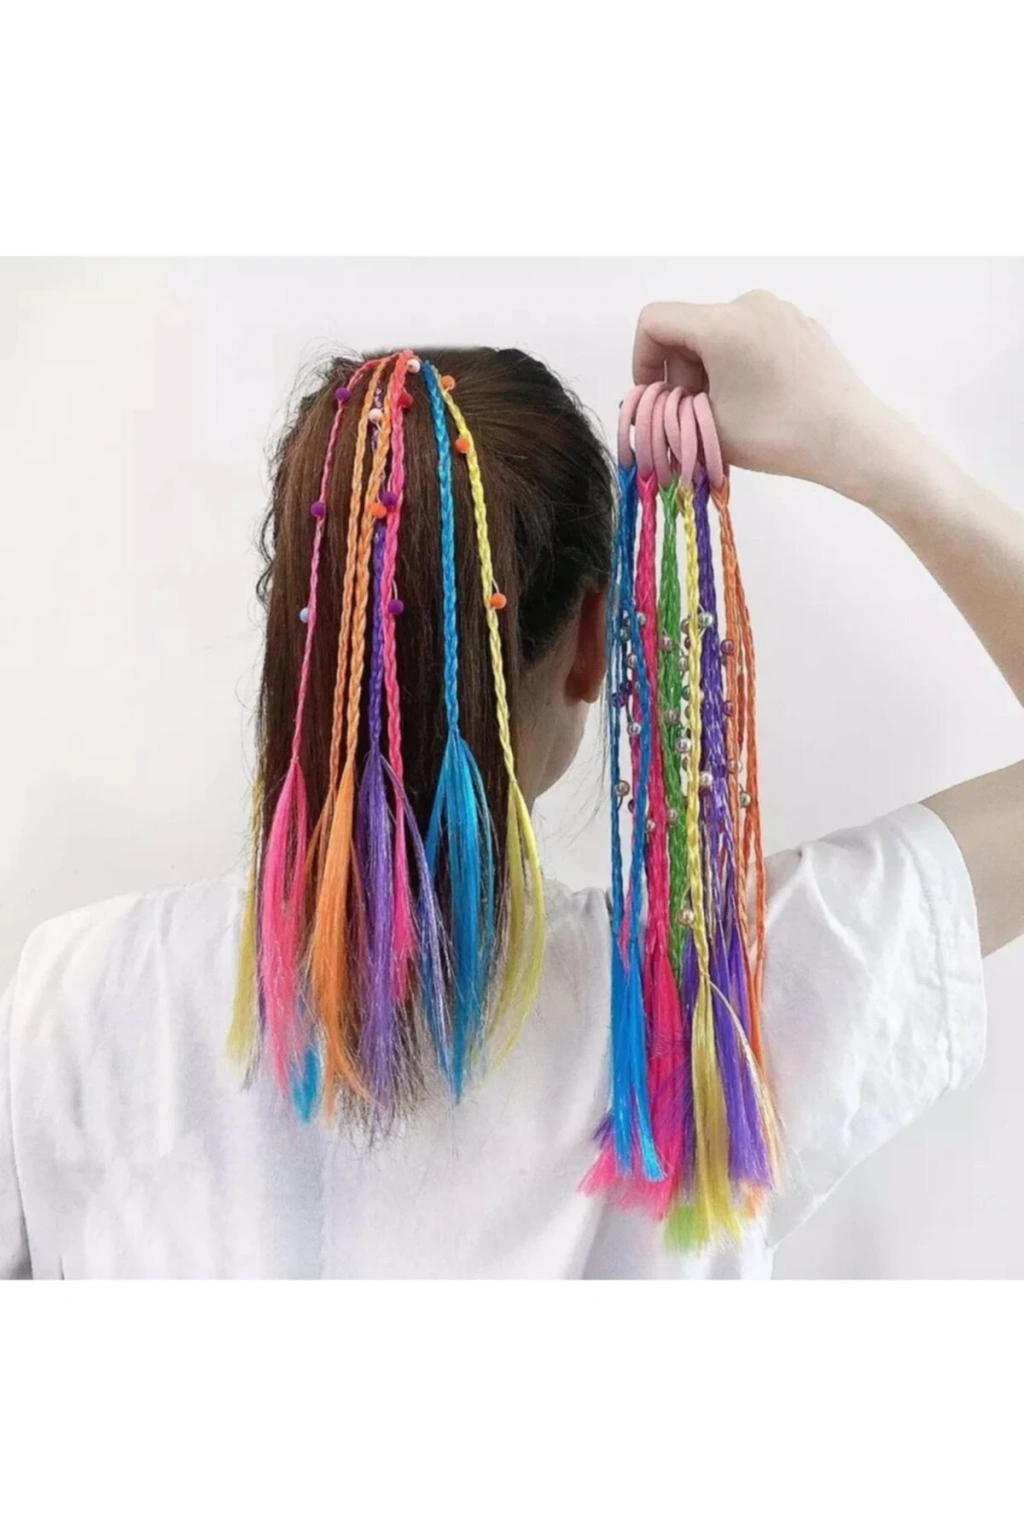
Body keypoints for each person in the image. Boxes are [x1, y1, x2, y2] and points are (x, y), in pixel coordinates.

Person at [1, 292, 1020, 1279]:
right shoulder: (719, 1010)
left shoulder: (76, 999)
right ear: (594, 640)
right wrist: (862, 441)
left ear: (302, 628)